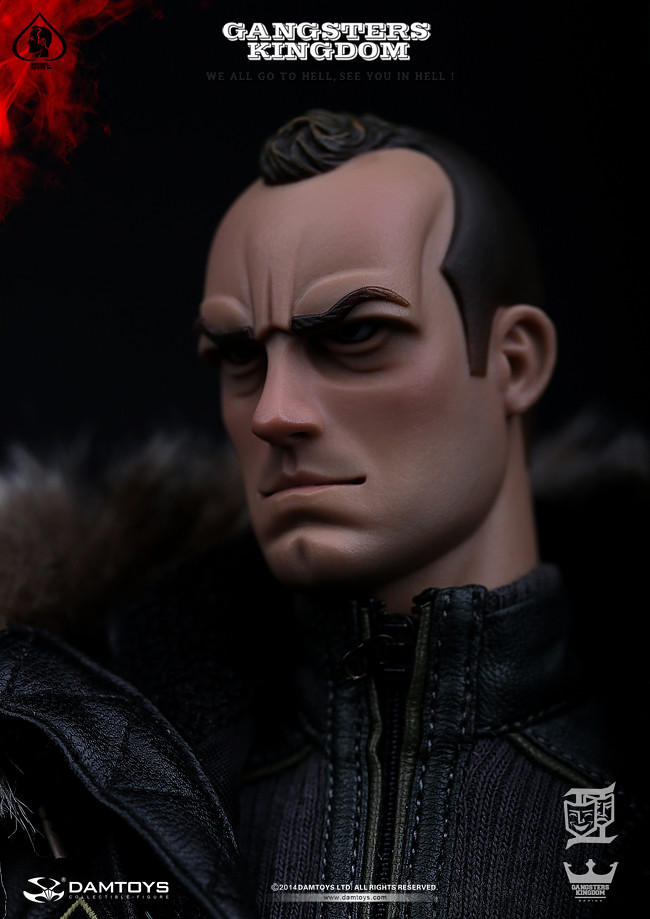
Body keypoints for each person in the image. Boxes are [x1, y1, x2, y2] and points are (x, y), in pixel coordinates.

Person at [0, 110, 643, 918]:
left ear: (514, 362)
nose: (275, 411)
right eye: (239, 355)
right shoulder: (65, 778)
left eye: (358, 333)